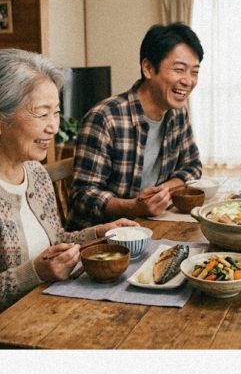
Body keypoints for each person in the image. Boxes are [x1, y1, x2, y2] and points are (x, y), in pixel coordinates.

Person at [0, 49, 137, 348]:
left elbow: (53, 240)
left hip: (37, 318)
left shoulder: (34, 172)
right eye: (41, 113)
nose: (54, 126)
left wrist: (99, 234)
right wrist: (35, 273)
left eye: (56, 112)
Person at [66, 22, 203, 230]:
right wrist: (134, 206)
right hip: (102, 243)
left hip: (150, 227)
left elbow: (192, 167)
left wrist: (162, 191)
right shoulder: (105, 118)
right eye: (179, 70)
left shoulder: (178, 113)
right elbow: (83, 195)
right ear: (148, 68)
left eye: (194, 72)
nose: (188, 81)